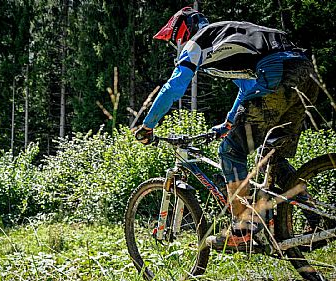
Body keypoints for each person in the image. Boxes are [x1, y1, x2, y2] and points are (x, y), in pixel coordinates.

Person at [135, 7, 319, 250]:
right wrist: (230, 122)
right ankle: (316, 217)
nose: (177, 48)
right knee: (271, 155)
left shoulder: (198, 42)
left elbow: (174, 86)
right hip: (307, 77)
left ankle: (243, 229)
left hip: (278, 75)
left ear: (183, 34)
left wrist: (147, 125)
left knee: (230, 151)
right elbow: (246, 88)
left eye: (175, 42)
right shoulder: (225, 38)